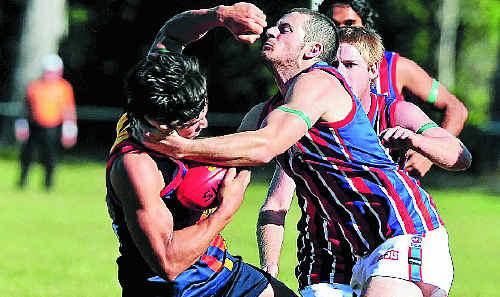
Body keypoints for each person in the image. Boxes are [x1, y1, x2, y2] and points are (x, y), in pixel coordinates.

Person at [137, 7, 471, 297]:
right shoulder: (265, 112)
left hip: (403, 232)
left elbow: (264, 147)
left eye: (285, 30)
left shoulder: (320, 82)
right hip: (364, 250)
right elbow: (231, 165)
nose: (271, 31)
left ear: (312, 50)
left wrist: (180, 146)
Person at [255, 26, 472, 297]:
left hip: (392, 239)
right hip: (327, 257)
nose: (338, 73)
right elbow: (275, 204)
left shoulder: (395, 112)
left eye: (349, 65)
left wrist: (419, 144)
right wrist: (269, 268)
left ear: (373, 71)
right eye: (332, 65)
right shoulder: (302, 118)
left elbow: (460, 156)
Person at [106, 3, 298, 296]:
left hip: (222, 272)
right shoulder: (137, 166)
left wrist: (220, 16)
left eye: (203, 112)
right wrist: (226, 209)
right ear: (161, 124)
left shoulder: (157, 83)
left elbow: (171, 36)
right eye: (193, 123)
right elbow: (168, 263)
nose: (204, 123)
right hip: (176, 289)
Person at [318, 0, 469, 179]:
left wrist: (426, 155)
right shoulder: (316, 73)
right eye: (334, 25)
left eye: (350, 24)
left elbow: (456, 108)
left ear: (365, 25)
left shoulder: (396, 67)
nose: (341, 30)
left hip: (393, 191)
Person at [17, 54, 77, 190]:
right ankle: (22, 181)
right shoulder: (34, 86)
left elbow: (68, 110)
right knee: (26, 155)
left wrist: (70, 129)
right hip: (34, 126)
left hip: (53, 127)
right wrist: (21, 125)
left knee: (50, 156)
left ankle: (48, 184)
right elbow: (25, 108)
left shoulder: (64, 88)